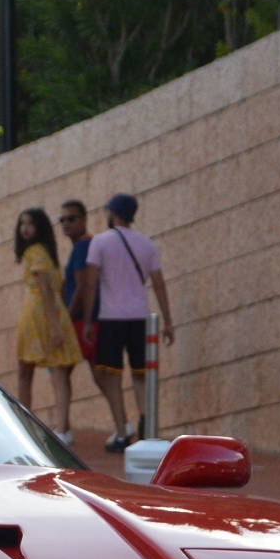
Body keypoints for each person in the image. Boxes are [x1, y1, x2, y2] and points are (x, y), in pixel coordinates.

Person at [76, 192, 172, 452]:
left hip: (111, 317)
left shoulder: (101, 243)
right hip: (139, 317)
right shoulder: (147, 245)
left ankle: (122, 431)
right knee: (140, 374)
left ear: (113, 214)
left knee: (110, 376)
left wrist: (87, 321)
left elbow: (91, 283)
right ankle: (145, 422)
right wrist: (168, 321)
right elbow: (159, 284)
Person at [9, 207, 76, 441]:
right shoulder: (46, 252)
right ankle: (63, 427)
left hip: (38, 314)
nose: (24, 229)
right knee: (58, 372)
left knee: (26, 372)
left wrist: (54, 326)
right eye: (22, 223)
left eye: (30, 224)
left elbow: (46, 288)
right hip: (52, 312)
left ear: (40, 227)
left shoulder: (34, 253)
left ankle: (25, 423)